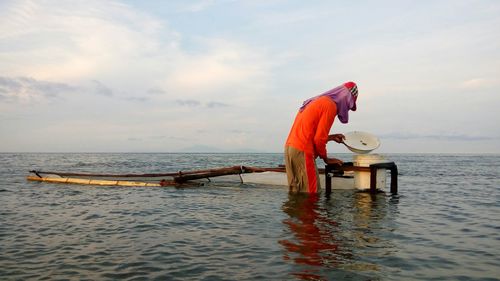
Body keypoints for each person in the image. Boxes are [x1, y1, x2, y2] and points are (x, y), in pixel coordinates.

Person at [284, 82, 358, 193]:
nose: (347, 108)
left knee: (295, 192)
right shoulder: (330, 106)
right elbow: (319, 139)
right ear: (345, 98)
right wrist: (326, 159)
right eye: (349, 104)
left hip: (290, 149)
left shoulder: (316, 101)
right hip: (303, 151)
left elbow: (310, 135)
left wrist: (331, 137)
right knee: (312, 193)